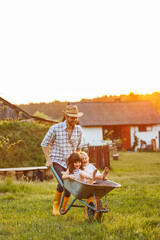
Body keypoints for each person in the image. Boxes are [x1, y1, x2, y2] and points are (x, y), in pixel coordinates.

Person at [41, 105, 83, 216]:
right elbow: (44, 144)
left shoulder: (79, 130)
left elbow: (79, 147)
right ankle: (56, 207)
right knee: (64, 182)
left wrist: (78, 160)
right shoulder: (55, 128)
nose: (74, 120)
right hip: (57, 160)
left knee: (69, 184)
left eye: (76, 117)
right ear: (66, 116)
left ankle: (63, 208)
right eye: (71, 117)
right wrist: (48, 159)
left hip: (71, 163)